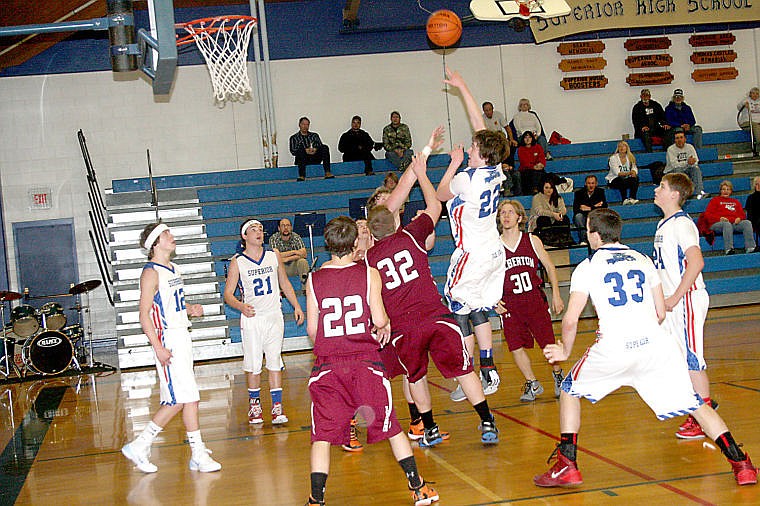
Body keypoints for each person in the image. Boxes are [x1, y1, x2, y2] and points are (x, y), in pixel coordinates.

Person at [534, 208, 757, 488]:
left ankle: (567, 464)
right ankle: (741, 463)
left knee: (569, 389)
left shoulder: (589, 267)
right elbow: (661, 312)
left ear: (594, 234)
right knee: (696, 404)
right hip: (655, 346)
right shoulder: (642, 260)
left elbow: (570, 319)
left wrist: (565, 351)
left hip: (615, 347)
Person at [367, 150, 500, 446]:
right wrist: (422, 173)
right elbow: (434, 205)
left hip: (404, 327)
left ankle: (429, 428)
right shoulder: (412, 234)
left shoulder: (370, 258)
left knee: (415, 378)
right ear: (394, 219)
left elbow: (372, 296)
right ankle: (487, 421)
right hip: (436, 317)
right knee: (464, 370)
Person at [305, 216, 439, 506]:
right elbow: (379, 319)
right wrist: (384, 325)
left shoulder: (314, 279)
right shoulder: (369, 274)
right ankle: (418, 488)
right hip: (364, 363)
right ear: (355, 244)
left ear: (327, 244)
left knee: (321, 436)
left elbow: (313, 331)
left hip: (328, 367)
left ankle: (317, 499)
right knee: (391, 426)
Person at [121, 223, 221, 474]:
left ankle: (197, 453)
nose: (172, 237)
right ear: (155, 243)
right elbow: (144, 314)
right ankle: (141, 444)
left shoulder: (174, 268)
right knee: (177, 400)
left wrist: (190, 309)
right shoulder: (150, 272)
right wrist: (157, 347)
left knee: (190, 398)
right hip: (167, 339)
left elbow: (169, 302)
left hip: (182, 335)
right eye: (166, 234)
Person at [436, 67, 509, 400]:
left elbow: (439, 196)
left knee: (458, 305)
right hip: (495, 252)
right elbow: (480, 126)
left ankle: (470, 376)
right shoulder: (495, 170)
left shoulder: (468, 178)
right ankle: (488, 369)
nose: (471, 146)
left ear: (479, 153)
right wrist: (464, 86)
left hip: (473, 253)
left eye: (473, 148)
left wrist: (452, 163)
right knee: (478, 307)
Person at [224, 219, 305, 425]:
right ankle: (255, 406)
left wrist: (296, 305)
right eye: (254, 229)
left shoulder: (273, 255)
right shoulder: (237, 261)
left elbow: (284, 283)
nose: (259, 232)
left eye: (260, 229)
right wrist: (241, 306)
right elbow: (228, 295)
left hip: (273, 315)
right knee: (253, 365)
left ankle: (277, 408)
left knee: (275, 362)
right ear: (245, 236)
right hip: (253, 319)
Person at [653, 173, 714, 439]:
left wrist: (675, 298)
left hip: (687, 299)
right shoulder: (663, 224)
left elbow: (696, 262)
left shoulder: (682, 225)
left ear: (675, 195)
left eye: (662, 187)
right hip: (674, 300)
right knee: (676, 358)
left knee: (692, 359)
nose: (657, 190)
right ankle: (697, 407)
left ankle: (704, 416)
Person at [495, 199, 565, 402]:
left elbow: (550, 267)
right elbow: (486, 276)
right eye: (502, 213)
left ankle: (558, 375)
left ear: (519, 217)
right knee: (515, 346)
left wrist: (557, 295)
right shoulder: (494, 245)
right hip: (509, 303)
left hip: (534, 300)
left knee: (548, 345)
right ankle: (532, 382)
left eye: (510, 212)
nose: (506, 216)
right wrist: (493, 301)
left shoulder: (532, 240)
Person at [701, 180, 757, 254]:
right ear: (720, 191)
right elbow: (708, 215)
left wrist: (739, 218)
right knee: (726, 225)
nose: (726, 191)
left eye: (728, 189)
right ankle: (729, 249)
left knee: (747, 223)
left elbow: (742, 215)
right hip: (718, 224)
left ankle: (750, 247)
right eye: (724, 189)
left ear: (731, 191)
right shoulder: (715, 200)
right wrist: (719, 219)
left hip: (733, 223)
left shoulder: (735, 202)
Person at [483, 101, 520, 195]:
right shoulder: (481, 119)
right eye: (486, 110)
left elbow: (507, 128)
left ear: (493, 109)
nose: (488, 112)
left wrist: (511, 139)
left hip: (500, 137)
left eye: (490, 109)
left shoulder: (498, 115)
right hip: (490, 141)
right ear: (483, 111)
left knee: (515, 173)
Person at [529, 179, 574, 248]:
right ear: (542, 188)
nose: (549, 190)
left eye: (551, 188)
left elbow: (563, 210)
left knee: (565, 219)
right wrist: (553, 214)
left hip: (555, 219)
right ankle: (546, 241)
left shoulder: (558, 198)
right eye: (546, 188)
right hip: (539, 220)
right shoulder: (537, 197)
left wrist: (559, 215)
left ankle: (563, 240)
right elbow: (539, 211)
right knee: (543, 219)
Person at [665, 129, 707, 199]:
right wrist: (687, 162)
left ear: (685, 139)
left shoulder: (690, 147)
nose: (679, 140)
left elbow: (696, 161)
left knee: (696, 169)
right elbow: (674, 165)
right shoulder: (670, 149)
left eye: (681, 137)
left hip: (687, 168)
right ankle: (682, 194)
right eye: (677, 138)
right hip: (672, 171)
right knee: (678, 170)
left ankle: (699, 192)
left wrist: (691, 163)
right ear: (674, 140)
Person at [289, 117, 334, 181]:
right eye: (303, 124)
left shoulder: (314, 135)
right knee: (301, 150)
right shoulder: (294, 137)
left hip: (314, 158)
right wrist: (305, 151)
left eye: (307, 124)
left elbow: (320, 146)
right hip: (302, 159)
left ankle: (327, 172)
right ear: (299, 125)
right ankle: (302, 175)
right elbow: (293, 151)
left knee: (325, 147)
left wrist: (315, 149)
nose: (305, 126)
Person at [269, 218, 310, 284]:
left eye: (288, 225)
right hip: (281, 267)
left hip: (294, 266)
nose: (285, 228)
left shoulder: (296, 237)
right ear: (279, 228)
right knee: (274, 265)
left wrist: (287, 259)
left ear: (291, 228)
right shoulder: (273, 238)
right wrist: (294, 252)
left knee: (303, 262)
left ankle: (306, 288)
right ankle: (281, 292)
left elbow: (304, 254)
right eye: (283, 225)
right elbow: (275, 256)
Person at [573, 175, 607, 245]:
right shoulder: (579, 193)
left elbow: (604, 207)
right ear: (585, 184)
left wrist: (588, 208)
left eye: (592, 183)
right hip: (583, 216)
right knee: (578, 217)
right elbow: (576, 209)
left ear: (596, 184)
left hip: (595, 216)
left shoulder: (600, 192)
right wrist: (595, 206)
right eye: (589, 183)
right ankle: (584, 240)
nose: (591, 185)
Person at [632, 88, 669, 153]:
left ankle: (666, 152)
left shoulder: (656, 105)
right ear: (641, 97)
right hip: (643, 131)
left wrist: (664, 124)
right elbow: (635, 121)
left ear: (650, 96)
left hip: (656, 129)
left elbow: (662, 116)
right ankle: (650, 154)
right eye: (643, 95)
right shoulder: (637, 107)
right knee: (646, 135)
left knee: (667, 132)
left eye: (647, 95)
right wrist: (642, 127)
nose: (645, 97)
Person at [517, 131, 547, 195]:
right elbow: (524, 162)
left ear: (532, 138)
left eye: (529, 137)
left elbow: (542, 158)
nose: (527, 139)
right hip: (526, 170)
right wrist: (533, 167)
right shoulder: (521, 149)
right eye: (525, 137)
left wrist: (541, 164)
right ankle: (534, 190)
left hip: (538, 168)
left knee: (545, 175)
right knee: (532, 174)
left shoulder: (538, 147)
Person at [737, 87, 760, 155]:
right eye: (753, 93)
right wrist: (744, 105)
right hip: (747, 122)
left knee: (757, 126)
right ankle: (758, 143)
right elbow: (739, 107)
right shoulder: (746, 100)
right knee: (756, 126)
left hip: (757, 123)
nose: (755, 95)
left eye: (757, 94)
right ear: (750, 94)